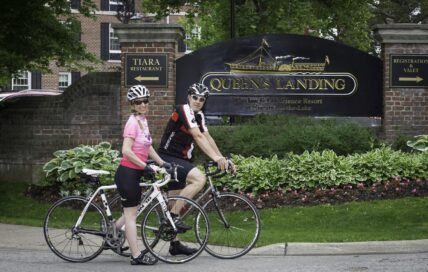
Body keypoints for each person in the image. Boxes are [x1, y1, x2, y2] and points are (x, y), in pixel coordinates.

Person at [158, 83, 236, 256]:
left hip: (180, 159)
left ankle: (174, 244)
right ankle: (174, 218)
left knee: (173, 202)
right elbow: (197, 135)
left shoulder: (198, 115)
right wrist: (216, 158)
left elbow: (207, 137)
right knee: (199, 179)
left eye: (202, 99)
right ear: (189, 97)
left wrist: (222, 157)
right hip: (169, 157)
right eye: (195, 97)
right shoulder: (184, 109)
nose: (198, 101)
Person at [113, 85, 171, 265]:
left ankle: (112, 232)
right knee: (131, 216)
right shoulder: (132, 123)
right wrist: (145, 165)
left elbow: (147, 146)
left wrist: (162, 163)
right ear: (132, 104)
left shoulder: (142, 120)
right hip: (128, 173)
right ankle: (136, 256)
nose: (143, 104)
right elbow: (126, 151)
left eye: (145, 101)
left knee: (132, 211)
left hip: (135, 172)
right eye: (138, 102)